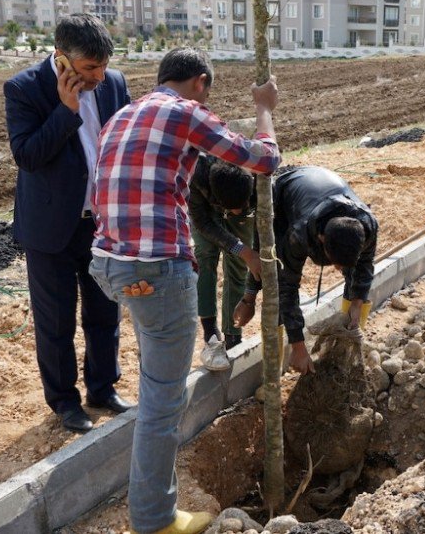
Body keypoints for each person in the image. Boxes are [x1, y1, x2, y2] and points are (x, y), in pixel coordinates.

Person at [88, 47, 280, 534]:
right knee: (161, 402)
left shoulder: (121, 116)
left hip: (111, 265)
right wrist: (264, 108)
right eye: (207, 91)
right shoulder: (184, 111)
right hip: (157, 268)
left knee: (155, 379)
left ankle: (151, 503)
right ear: (199, 82)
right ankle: (154, 519)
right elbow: (263, 160)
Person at [3, 13, 133, 434]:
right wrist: (66, 110)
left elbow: (123, 142)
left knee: (104, 312)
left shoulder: (113, 83)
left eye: (103, 65)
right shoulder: (24, 88)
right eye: (89, 68)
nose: (99, 75)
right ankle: (64, 401)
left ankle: (102, 388)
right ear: (61, 59)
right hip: (51, 229)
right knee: (56, 321)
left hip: (101, 225)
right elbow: (27, 156)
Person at [233, 166, 378, 374]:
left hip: (326, 193)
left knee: (356, 282)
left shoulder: (367, 226)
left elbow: (364, 267)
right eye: (334, 262)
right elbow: (287, 287)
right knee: (274, 280)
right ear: (321, 240)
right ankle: (272, 376)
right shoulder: (299, 235)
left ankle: (345, 356)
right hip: (285, 200)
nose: (336, 269)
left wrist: (357, 302)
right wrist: (298, 346)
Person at [188, 155, 260, 369]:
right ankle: (210, 333)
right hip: (206, 215)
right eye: (231, 207)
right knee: (205, 259)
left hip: (241, 203)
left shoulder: (257, 173)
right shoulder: (197, 175)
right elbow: (202, 222)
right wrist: (241, 249)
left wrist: (249, 252)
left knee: (238, 268)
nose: (235, 211)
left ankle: (233, 335)